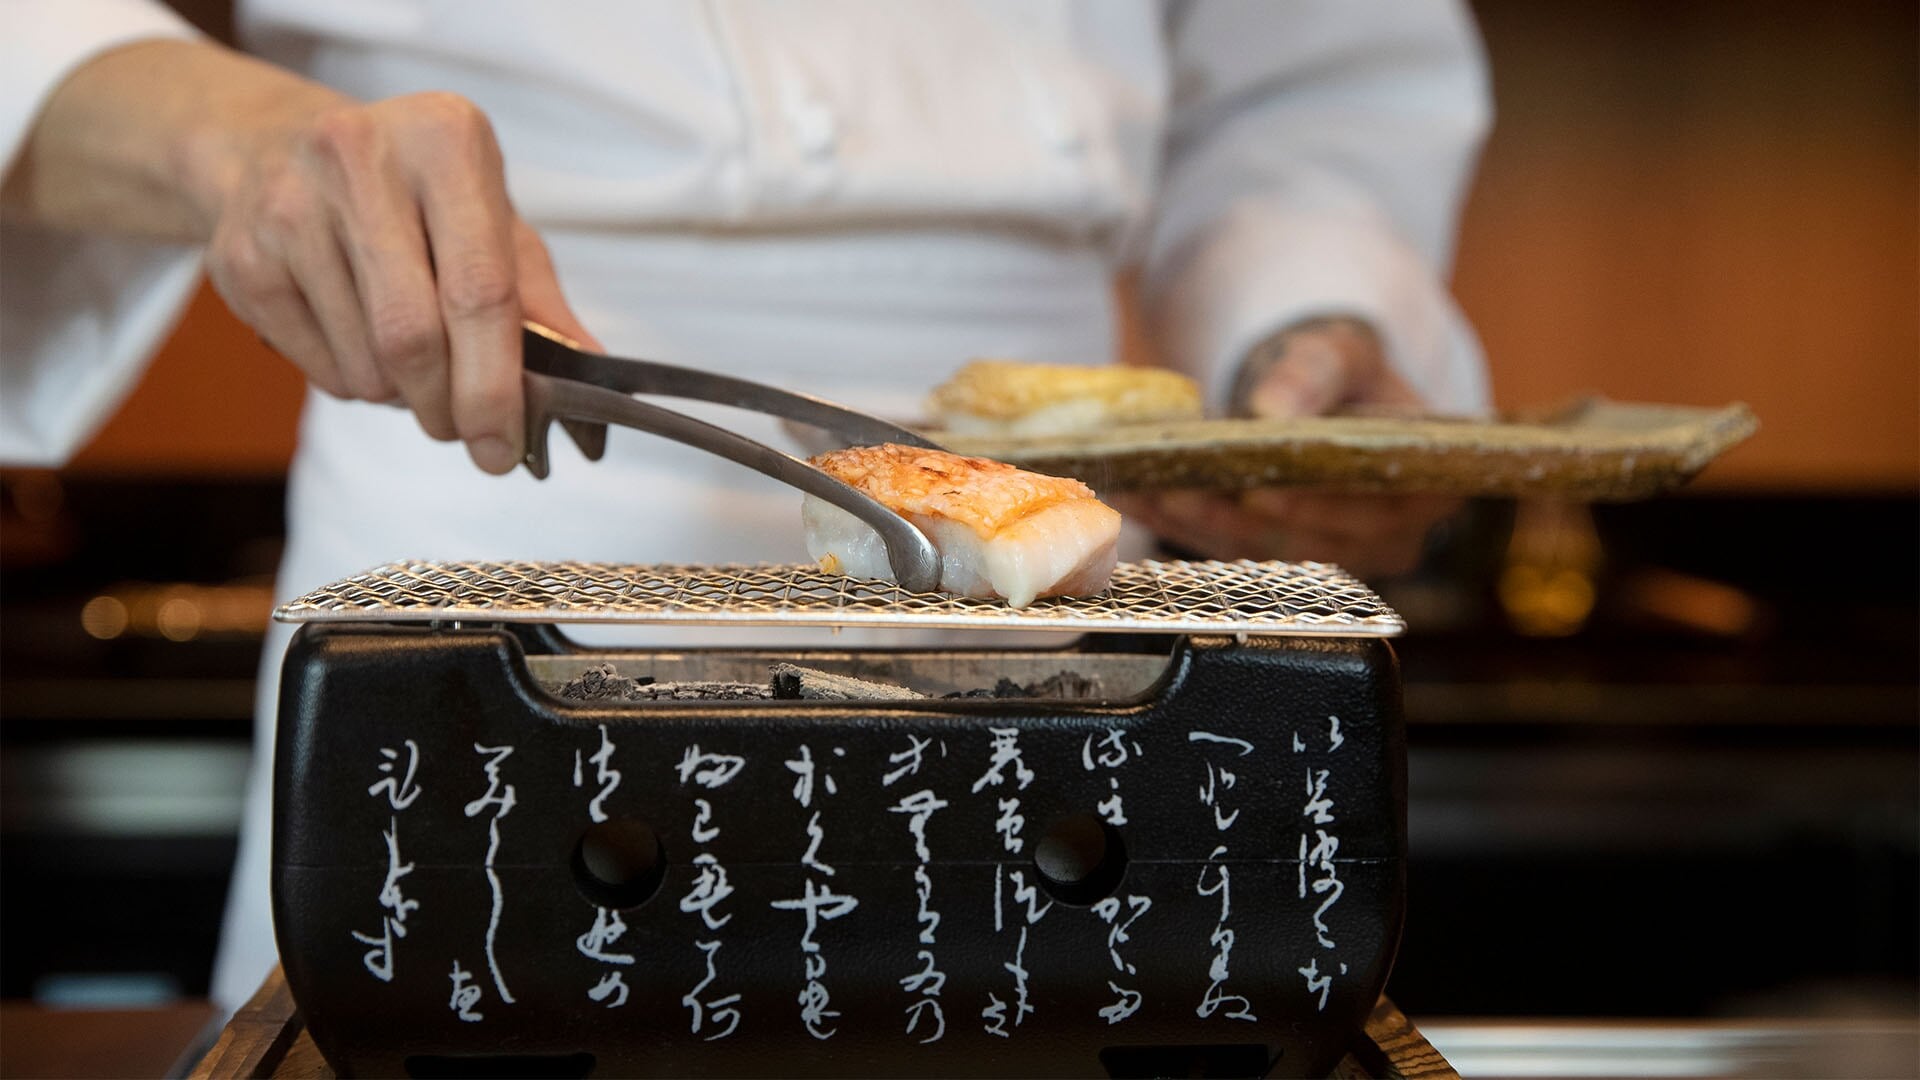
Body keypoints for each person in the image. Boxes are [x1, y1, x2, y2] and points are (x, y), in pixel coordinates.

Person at [2, 0, 1492, 1009]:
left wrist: (1300, 321)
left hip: (1047, 558)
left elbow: (1313, 72)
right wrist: (229, 135)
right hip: (484, 491)